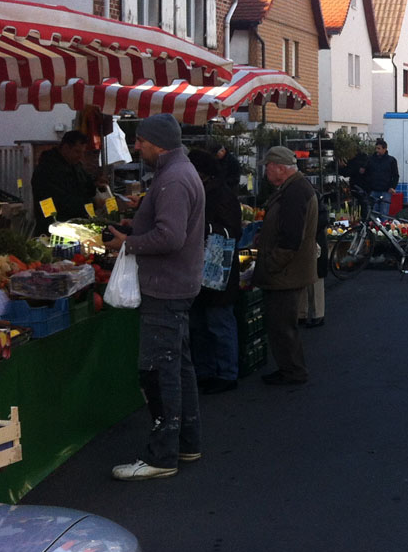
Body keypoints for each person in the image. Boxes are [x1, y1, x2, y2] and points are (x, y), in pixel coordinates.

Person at [104, 114, 206, 480]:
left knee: (159, 372)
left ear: (157, 142)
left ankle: (162, 457)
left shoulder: (173, 179)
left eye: (140, 141)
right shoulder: (178, 173)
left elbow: (170, 237)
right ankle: (187, 443)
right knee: (178, 368)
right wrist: (136, 226)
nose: (135, 146)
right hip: (177, 284)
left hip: (165, 287)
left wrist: (128, 243)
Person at [254, 146, 318, 386]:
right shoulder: (295, 188)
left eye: (268, 167)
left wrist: (271, 264)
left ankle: (292, 371)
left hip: (287, 273)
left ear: (280, 168)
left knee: (282, 325)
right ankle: (289, 368)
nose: (266, 172)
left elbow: (291, 239)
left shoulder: (294, 192)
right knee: (282, 324)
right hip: (290, 270)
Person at [187, 149, 242, 395]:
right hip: (197, 265)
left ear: (202, 173)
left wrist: (202, 227)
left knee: (218, 321)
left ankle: (227, 373)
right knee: (199, 323)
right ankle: (205, 371)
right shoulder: (198, 192)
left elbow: (232, 231)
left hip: (219, 265)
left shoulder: (221, 195)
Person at [31, 130, 104, 234]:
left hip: (75, 226)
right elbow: (62, 202)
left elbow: (86, 185)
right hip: (54, 229)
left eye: (82, 152)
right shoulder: (47, 169)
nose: (81, 156)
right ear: (65, 148)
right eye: (77, 152)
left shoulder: (76, 165)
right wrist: (93, 203)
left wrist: (96, 184)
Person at [299, 199, 329, 328]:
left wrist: (308, 229)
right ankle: (303, 314)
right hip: (306, 240)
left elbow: (323, 218)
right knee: (302, 278)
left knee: (315, 278)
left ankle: (317, 314)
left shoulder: (311, 195)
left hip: (314, 241)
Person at [364, 139, 399, 217]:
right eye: (376, 148)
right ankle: (374, 228)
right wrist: (368, 188)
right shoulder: (371, 160)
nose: (377, 150)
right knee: (373, 213)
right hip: (373, 191)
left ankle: (383, 227)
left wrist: (392, 187)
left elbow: (395, 175)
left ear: (385, 149)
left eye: (379, 149)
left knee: (384, 213)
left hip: (386, 191)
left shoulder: (391, 160)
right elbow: (367, 174)